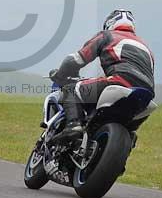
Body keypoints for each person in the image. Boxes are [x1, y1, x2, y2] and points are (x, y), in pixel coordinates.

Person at [49, 9, 155, 141]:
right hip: (147, 95)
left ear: (110, 24)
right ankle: (127, 139)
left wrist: (60, 74)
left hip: (119, 80)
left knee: (70, 89)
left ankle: (73, 125)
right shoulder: (145, 47)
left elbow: (76, 60)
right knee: (129, 132)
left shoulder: (107, 36)